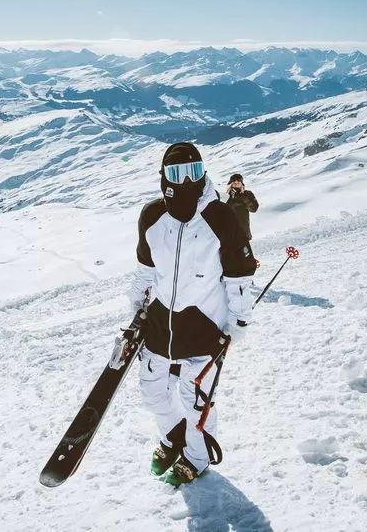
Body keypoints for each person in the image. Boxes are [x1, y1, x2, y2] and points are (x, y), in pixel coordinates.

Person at [129, 143, 257, 486]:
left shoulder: (219, 216)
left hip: (204, 326)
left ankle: (197, 458)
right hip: (160, 323)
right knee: (152, 391)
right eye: (176, 174)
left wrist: (238, 322)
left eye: (194, 173)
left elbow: (240, 276)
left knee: (195, 399)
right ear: (163, 179)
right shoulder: (152, 216)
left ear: (203, 173)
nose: (186, 182)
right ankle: (174, 436)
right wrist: (137, 310)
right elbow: (145, 271)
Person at [225, 173, 259, 241]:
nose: (236, 184)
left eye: (238, 182)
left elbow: (254, 209)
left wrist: (243, 197)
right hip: (229, 233)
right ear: (231, 184)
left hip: (244, 232)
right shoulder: (227, 196)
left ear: (241, 183)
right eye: (234, 183)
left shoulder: (248, 194)